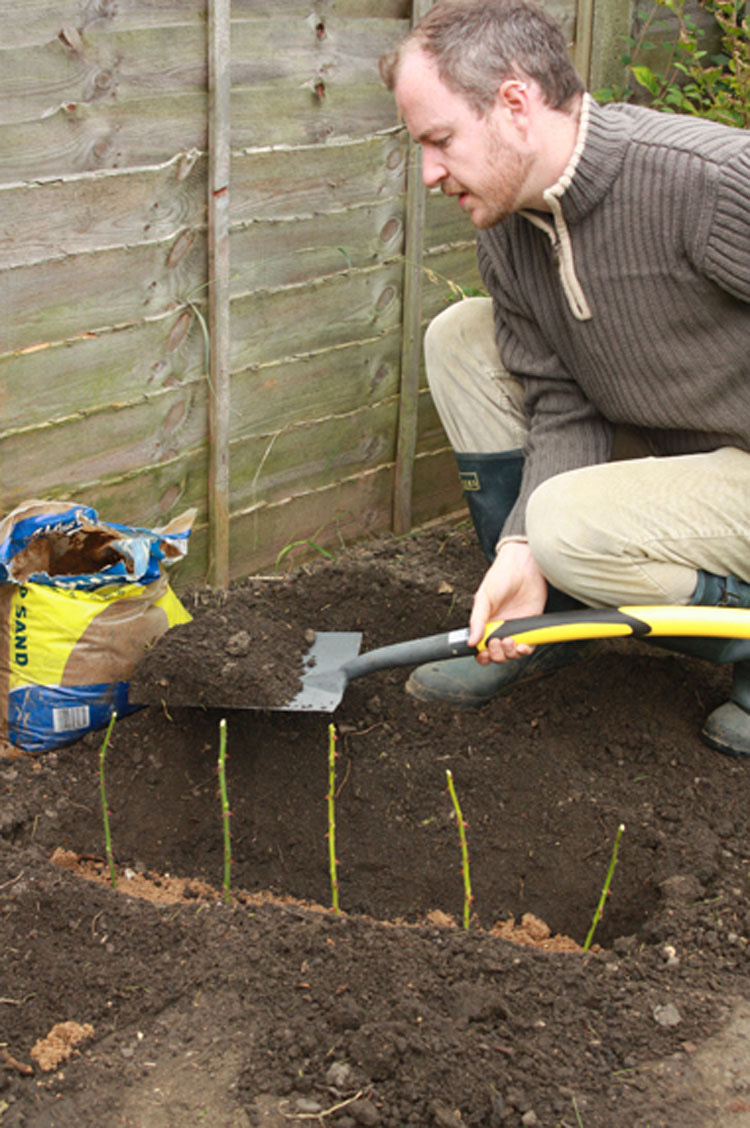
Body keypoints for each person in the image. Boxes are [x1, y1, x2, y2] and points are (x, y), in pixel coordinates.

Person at [379, 0, 750, 756]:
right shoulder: (512, 235)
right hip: (678, 453)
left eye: (439, 140)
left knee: (569, 522)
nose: (429, 174)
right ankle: (544, 620)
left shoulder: (707, 181)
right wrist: (519, 551)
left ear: (515, 102)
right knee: (461, 339)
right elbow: (560, 403)